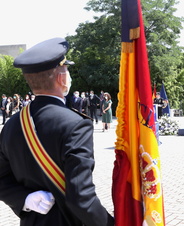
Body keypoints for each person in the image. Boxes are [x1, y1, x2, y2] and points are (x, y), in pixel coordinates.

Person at [0, 37, 114, 226]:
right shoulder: (76, 124)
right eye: (67, 70)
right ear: (62, 79)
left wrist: (25, 199)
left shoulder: (12, 124)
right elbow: (81, 198)